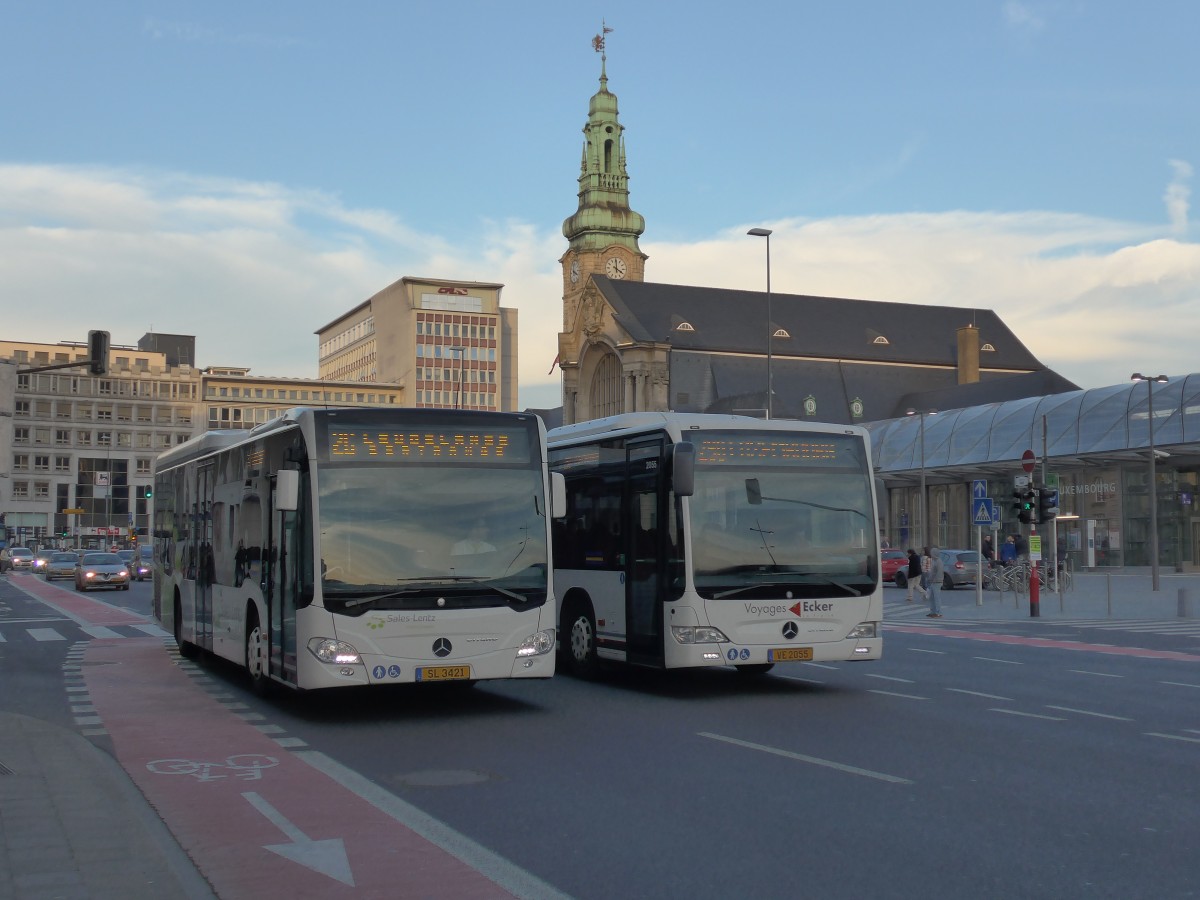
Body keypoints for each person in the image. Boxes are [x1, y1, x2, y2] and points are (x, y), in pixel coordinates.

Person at [925, 546, 944, 617]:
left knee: (937, 597)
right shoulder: (933, 561)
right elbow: (932, 571)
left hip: (937, 581)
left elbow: (938, 572)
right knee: (932, 598)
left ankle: (938, 612)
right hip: (932, 581)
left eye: (932, 553)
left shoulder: (939, 561)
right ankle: (933, 611)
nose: (931, 554)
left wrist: (933, 578)